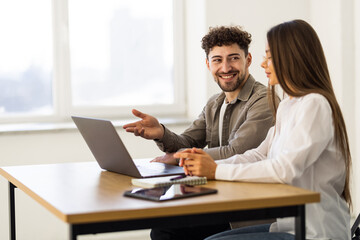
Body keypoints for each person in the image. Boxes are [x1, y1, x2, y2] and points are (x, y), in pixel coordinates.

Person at [175, 19, 352, 240]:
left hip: (314, 233)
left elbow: (284, 170)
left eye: (269, 56)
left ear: (292, 58)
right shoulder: (289, 105)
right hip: (287, 226)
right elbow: (259, 154)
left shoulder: (314, 104)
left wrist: (216, 171)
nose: (263, 64)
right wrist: (208, 167)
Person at [123, 26, 276, 240]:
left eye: (233, 58)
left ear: (248, 59)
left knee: (166, 231)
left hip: (244, 210)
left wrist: (179, 157)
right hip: (217, 198)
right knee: (163, 225)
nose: (225, 67)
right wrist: (161, 133)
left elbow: (238, 151)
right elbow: (188, 140)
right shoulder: (215, 102)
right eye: (217, 60)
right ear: (208, 64)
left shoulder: (264, 100)